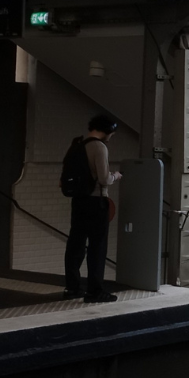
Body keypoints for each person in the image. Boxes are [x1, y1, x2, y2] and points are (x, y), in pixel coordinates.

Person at [63, 114, 122, 301]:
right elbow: (104, 179)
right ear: (107, 130)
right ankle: (94, 291)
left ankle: (72, 288)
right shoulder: (99, 147)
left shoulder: (77, 144)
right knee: (97, 247)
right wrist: (116, 176)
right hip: (96, 202)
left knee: (76, 245)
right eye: (111, 133)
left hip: (78, 201)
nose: (111, 137)